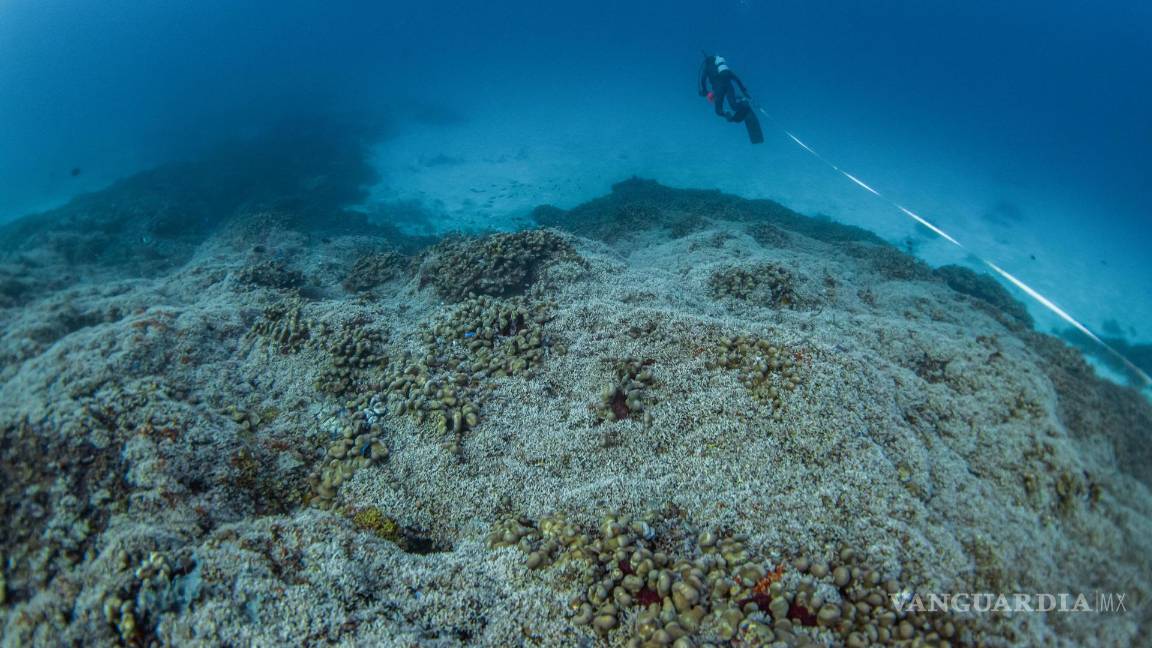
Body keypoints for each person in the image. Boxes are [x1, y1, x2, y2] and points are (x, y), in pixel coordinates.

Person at [698, 53, 752, 122]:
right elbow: (736, 78)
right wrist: (743, 90)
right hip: (728, 86)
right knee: (734, 106)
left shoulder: (707, 67)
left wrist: (705, 91)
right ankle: (743, 102)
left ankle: (726, 113)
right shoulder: (722, 68)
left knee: (718, 111)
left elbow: (703, 79)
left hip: (718, 88)